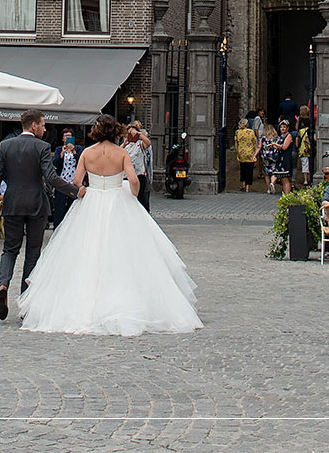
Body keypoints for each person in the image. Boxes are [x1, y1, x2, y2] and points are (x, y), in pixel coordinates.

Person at [18, 113, 201, 336]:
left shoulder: (87, 153)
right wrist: (131, 194)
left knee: (85, 252)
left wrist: (86, 189)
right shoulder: (121, 153)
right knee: (125, 253)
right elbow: (134, 181)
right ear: (115, 131)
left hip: (92, 201)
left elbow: (76, 182)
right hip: (118, 199)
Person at [0, 109, 79, 320]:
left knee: (9, 250)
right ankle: (25, 302)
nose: (45, 129)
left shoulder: (5, 146)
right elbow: (51, 177)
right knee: (33, 253)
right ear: (34, 125)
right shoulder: (42, 147)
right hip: (37, 205)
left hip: (12, 204)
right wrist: (75, 191)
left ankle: (2, 285)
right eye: (43, 125)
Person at [51, 130, 80, 227]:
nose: (67, 138)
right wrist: (62, 154)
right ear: (62, 138)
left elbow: (81, 162)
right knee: (59, 208)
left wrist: (74, 152)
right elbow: (55, 164)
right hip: (62, 182)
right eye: (65, 136)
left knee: (72, 208)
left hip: (73, 182)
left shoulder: (78, 148)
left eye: (69, 136)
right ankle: (57, 230)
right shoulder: (59, 149)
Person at [124, 125, 150, 211]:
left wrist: (139, 135)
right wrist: (124, 143)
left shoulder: (140, 144)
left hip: (139, 174)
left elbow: (148, 143)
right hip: (126, 175)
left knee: (139, 197)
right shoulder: (126, 146)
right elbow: (117, 152)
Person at [233, 117, 259, 192]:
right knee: (249, 170)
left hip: (241, 153)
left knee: (243, 169)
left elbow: (236, 142)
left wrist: (238, 151)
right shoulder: (251, 132)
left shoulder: (237, 132)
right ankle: (248, 187)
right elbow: (254, 142)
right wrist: (254, 151)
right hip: (250, 153)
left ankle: (243, 184)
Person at [274, 120, 296, 192]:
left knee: (285, 178)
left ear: (287, 128)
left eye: (284, 127)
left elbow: (284, 147)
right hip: (280, 158)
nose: (282, 129)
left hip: (286, 158)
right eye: (281, 127)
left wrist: (275, 145)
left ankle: (287, 195)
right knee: (282, 178)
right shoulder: (280, 137)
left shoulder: (289, 136)